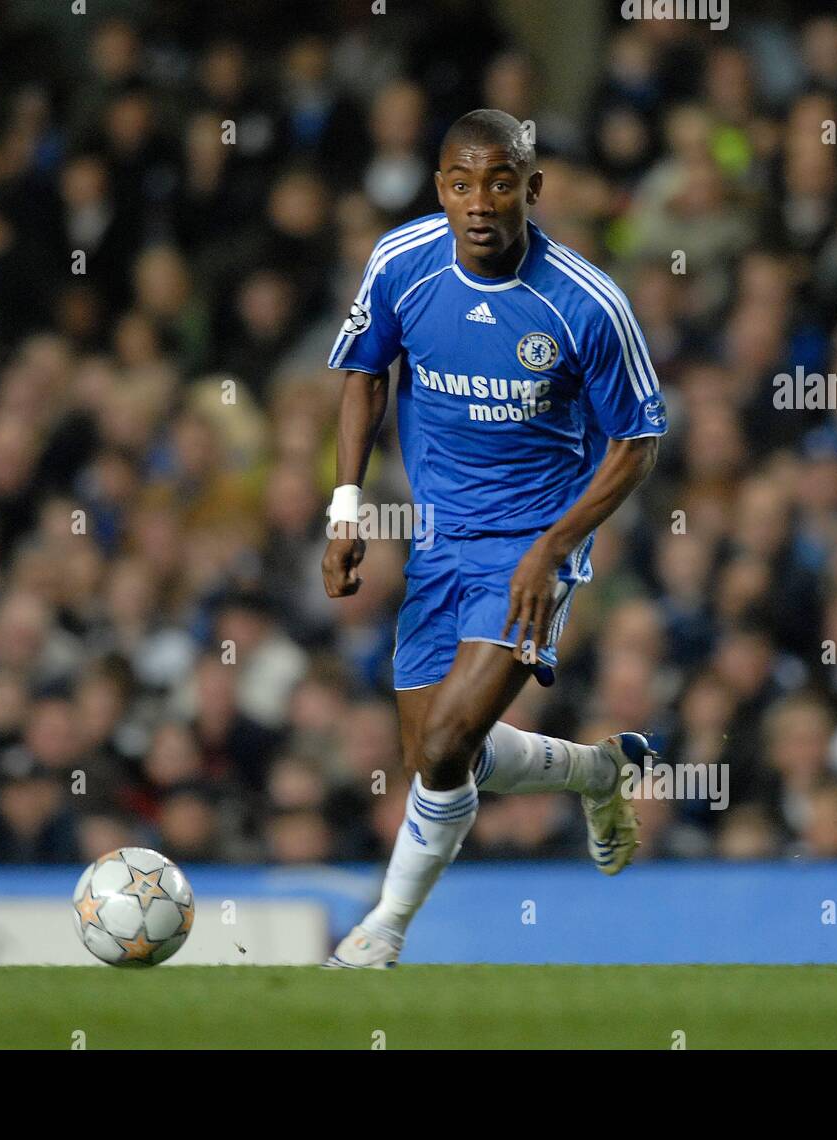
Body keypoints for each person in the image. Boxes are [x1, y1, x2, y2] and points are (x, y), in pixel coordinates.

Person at [321, 109, 665, 967]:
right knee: (434, 756)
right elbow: (363, 375)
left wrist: (554, 548)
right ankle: (597, 772)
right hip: (438, 542)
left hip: (530, 548)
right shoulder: (402, 264)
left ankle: (380, 933)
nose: (481, 202)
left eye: (501, 182)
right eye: (463, 183)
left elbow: (638, 442)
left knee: (445, 745)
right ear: (439, 187)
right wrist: (345, 506)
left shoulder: (588, 304)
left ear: (532, 188)